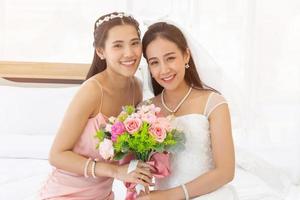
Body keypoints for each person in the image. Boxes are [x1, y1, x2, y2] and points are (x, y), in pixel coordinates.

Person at [39, 12, 153, 200]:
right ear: (101, 51)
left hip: (103, 195)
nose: (130, 53)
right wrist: (114, 171)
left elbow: (129, 148)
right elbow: (56, 155)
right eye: (118, 45)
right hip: (65, 194)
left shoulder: (136, 88)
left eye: (134, 43)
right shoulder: (92, 91)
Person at [137, 22, 238, 200]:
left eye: (170, 58)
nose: (164, 69)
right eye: (155, 62)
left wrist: (169, 196)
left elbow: (226, 172)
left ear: (186, 55)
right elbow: (139, 166)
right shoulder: (144, 110)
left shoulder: (214, 103)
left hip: (207, 194)